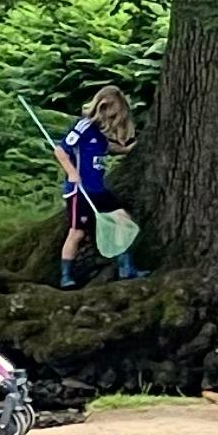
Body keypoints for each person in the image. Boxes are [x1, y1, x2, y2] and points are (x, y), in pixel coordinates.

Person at [54, 83, 140, 287]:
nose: (111, 122)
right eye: (110, 117)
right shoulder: (83, 126)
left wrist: (126, 150)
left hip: (98, 190)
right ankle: (65, 276)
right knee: (77, 232)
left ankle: (126, 266)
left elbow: (106, 147)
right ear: (101, 108)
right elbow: (60, 150)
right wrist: (73, 174)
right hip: (80, 191)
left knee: (122, 219)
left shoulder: (100, 133)